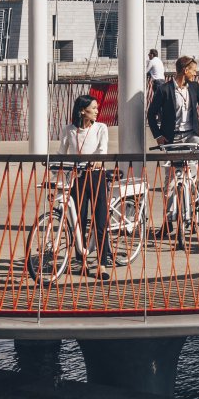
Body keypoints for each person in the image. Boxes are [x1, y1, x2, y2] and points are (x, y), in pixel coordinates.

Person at [60, 94, 124, 276]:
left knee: (100, 220)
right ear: (82, 111)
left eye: (97, 108)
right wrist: (55, 170)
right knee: (78, 220)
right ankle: (82, 263)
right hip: (78, 177)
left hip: (96, 175)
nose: (97, 111)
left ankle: (102, 264)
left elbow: (102, 149)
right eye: (93, 108)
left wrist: (97, 159)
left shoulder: (101, 128)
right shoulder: (68, 130)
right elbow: (61, 153)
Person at [147, 55, 199, 213]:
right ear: (185, 70)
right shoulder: (165, 89)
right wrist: (158, 136)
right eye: (194, 71)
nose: (195, 74)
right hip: (172, 138)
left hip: (191, 134)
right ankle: (169, 219)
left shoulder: (195, 87)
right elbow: (151, 114)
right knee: (170, 180)